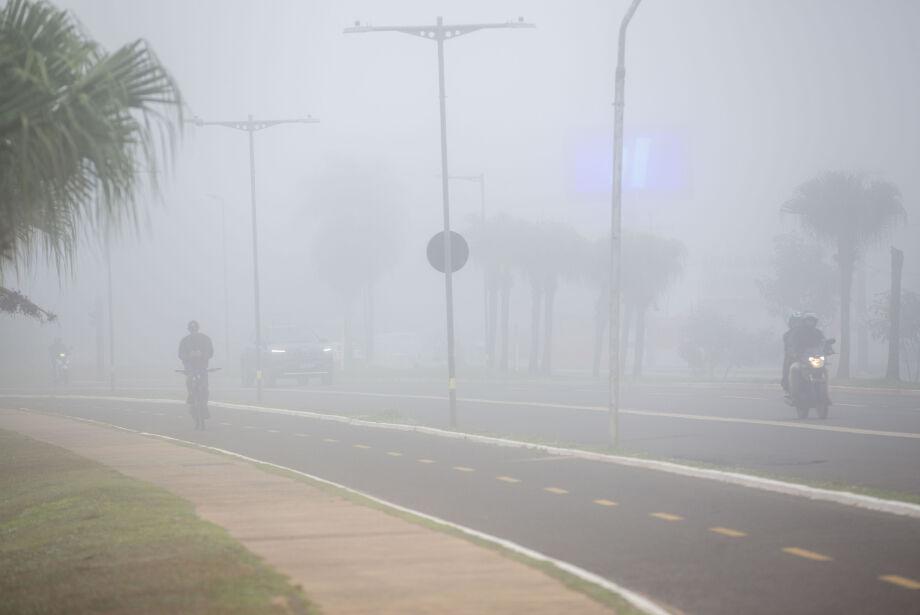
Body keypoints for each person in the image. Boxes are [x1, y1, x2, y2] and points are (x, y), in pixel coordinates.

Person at [178, 320, 214, 405]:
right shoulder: (184, 341)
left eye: (194, 328)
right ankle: (190, 394)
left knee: (205, 384)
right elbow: (180, 354)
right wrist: (189, 356)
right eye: (191, 329)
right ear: (189, 329)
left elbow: (210, 351)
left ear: (198, 328)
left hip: (202, 365)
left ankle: (204, 399)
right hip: (189, 366)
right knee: (189, 379)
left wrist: (202, 355)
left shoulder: (205, 339)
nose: (193, 330)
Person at [781, 313, 802, 394]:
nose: (797, 324)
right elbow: (788, 347)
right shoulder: (787, 335)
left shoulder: (808, 333)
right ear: (791, 323)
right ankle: (786, 383)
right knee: (787, 363)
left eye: (799, 322)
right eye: (795, 322)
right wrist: (793, 353)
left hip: (806, 357)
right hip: (793, 357)